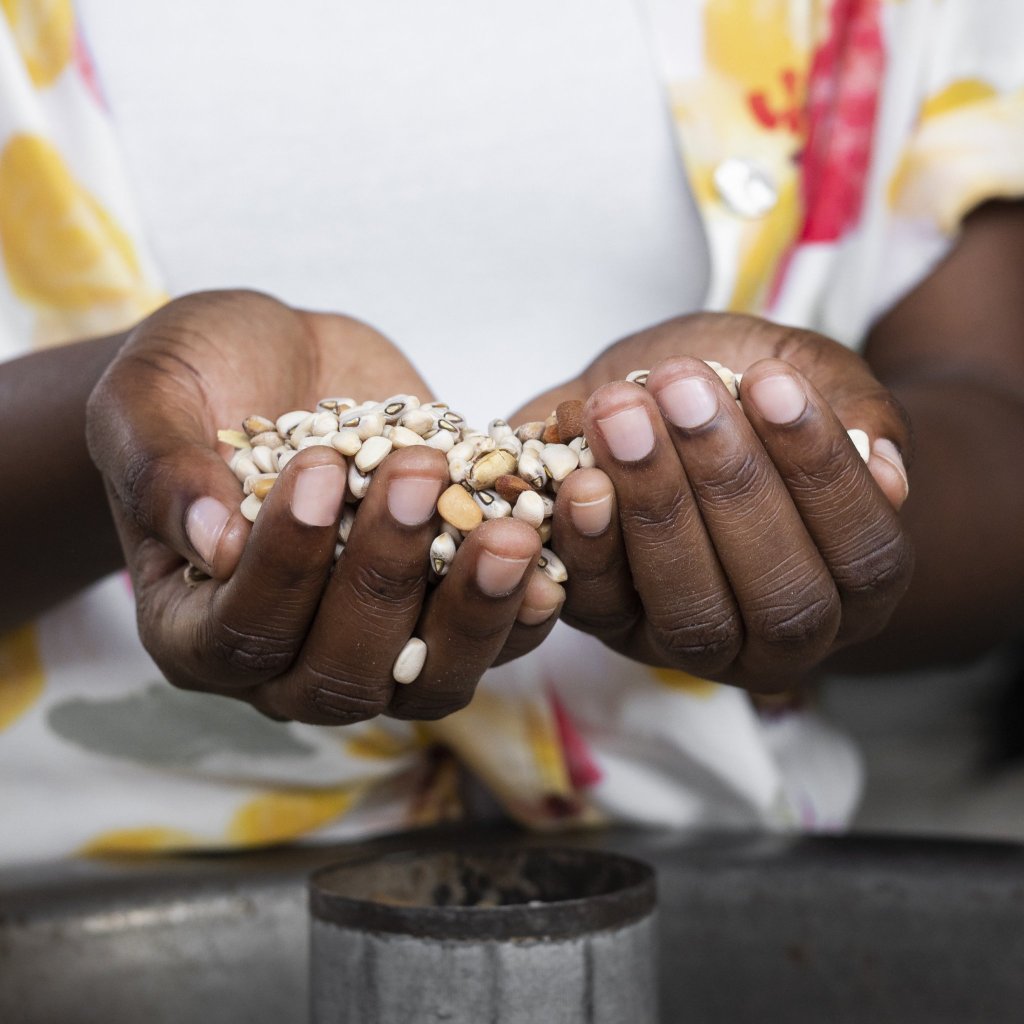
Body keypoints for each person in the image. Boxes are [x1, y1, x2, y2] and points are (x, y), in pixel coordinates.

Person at [1, 0, 1022, 862]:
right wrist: (122, 450)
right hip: (73, 919)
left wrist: (825, 488)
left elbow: (995, 422)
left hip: (729, 894)